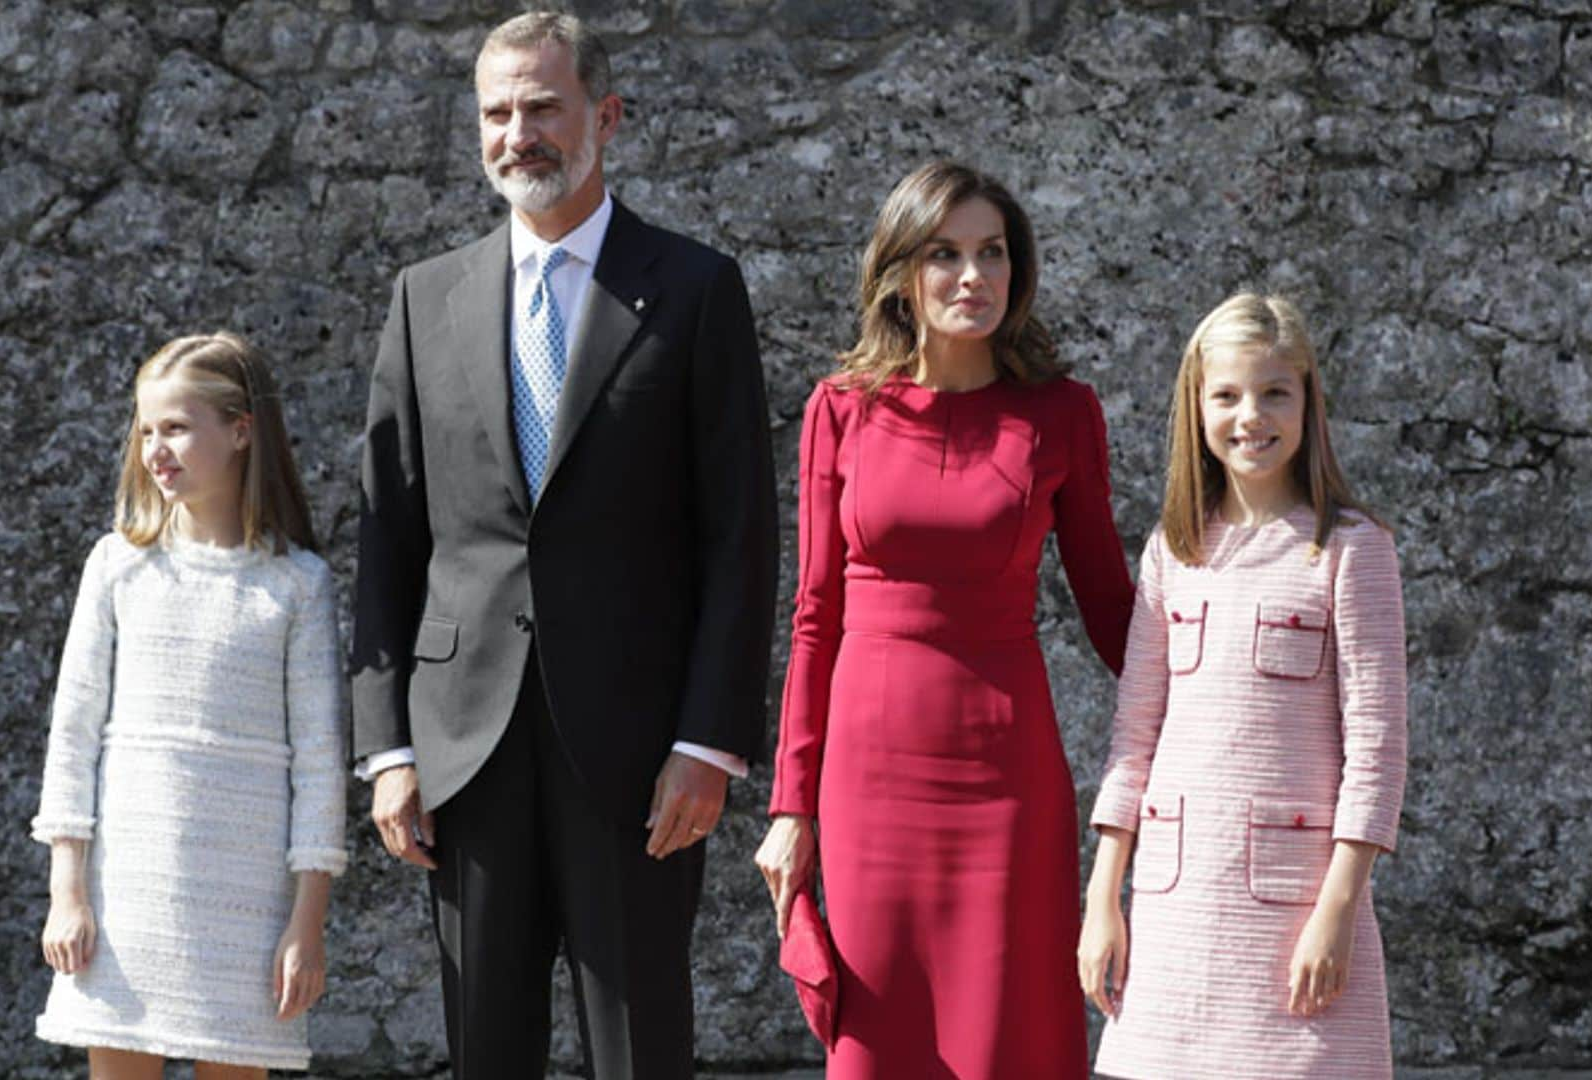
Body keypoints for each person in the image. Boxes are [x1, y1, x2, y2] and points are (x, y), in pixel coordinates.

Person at [348, 12, 777, 1078]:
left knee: (643, 1053)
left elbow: (741, 537)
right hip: (464, 750)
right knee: (485, 1050)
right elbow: (388, 533)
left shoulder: (694, 290)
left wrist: (708, 744)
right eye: (497, 113)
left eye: (543, 106)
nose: (519, 134)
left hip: (637, 758)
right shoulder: (423, 298)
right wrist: (389, 749)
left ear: (606, 116)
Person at [753, 160, 1135, 1078]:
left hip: (1006, 776)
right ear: (902, 275)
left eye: (993, 254)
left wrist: (1222, 694)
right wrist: (789, 804)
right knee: (881, 1040)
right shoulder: (840, 410)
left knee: (1008, 1030)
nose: (974, 277)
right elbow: (815, 618)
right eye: (947, 254)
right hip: (867, 778)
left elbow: (1113, 609)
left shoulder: (1061, 415)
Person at [1077, 293, 1408, 1079]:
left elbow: (1378, 748)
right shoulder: (1173, 551)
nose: (1249, 416)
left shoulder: (1351, 550)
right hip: (1173, 911)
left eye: (1273, 393)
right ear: (1197, 408)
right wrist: (1102, 901)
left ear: (1307, 402)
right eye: (1225, 395)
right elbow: (1135, 734)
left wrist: (1337, 912)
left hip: (1295, 914)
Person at [31, 332, 347, 1079]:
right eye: (145, 430)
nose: (155, 448)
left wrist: (307, 924)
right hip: (127, 890)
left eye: (175, 427)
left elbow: (321, 764)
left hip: (248, 903)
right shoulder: (117, 567)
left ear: (241, 431)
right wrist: (67, 892)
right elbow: (73, 737)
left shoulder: (297, 585)